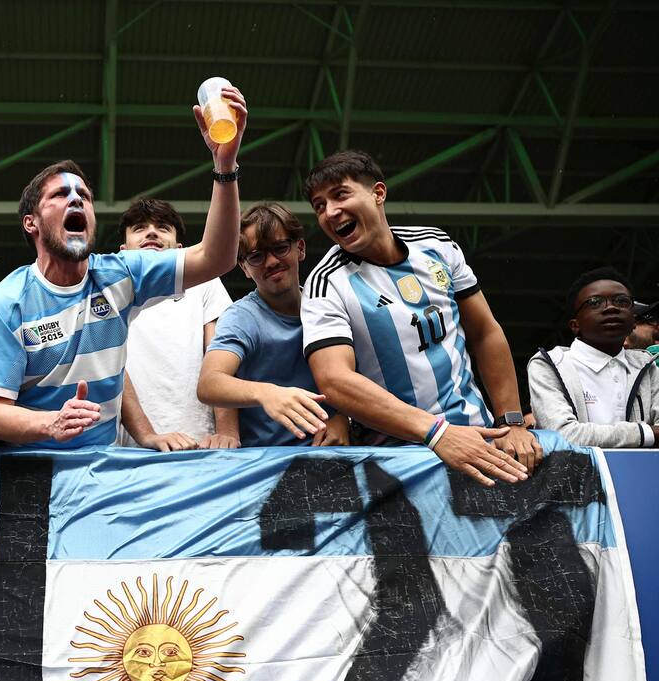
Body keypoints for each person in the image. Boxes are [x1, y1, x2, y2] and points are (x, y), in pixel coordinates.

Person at [0, 85, 249, 447]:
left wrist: (224, 166)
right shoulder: (7, 301)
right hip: (35, 475)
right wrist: (52, 423)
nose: (77, 199)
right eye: (60, 195)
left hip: (104, 472)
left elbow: (218, 258)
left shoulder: (120, 274)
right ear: (32, 223)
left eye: (84, 196)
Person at [300, 150, 539, 486]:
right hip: (396, 463)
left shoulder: (437, 245)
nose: (330, 212)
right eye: (319, 205)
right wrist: (437, 433)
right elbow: (334, 379)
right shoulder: (326, 283)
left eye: (340, 195)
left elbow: (485, 332)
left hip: (482, 442)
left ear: (378, 193)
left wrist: (512, 421)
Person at [198, 202, 349, 447]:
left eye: (280, 248)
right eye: (257, 256)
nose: (271, 262)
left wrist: (343, 418)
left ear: (299, 248)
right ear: (244, 267)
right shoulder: (241, 317)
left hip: (330, 453)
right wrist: (267, 393)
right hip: (266, 463)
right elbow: (209, 383)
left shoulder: (331, 304)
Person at [115, 198, 239, 451]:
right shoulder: (109, 286)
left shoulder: (205, 281)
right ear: (123, 250)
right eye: (139, 228)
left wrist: (227, 431)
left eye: (163, 227)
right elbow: (112, 364)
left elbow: (221, 356)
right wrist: (146, 433)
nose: (151, 232)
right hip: (131, 447)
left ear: (181, 248)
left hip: (201, 443)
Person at [528, 268, 658, 448]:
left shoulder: (649, 366)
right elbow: (562, 436)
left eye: (621, 301)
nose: (611, 307)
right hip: (575, 475)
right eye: (595, 302)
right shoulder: (549, 364)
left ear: (633, 322)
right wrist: (648, 433)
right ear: (575, 325)